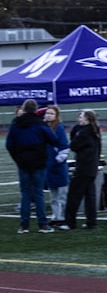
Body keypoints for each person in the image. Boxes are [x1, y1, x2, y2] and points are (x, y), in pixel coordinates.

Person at [6, 99, 65, 233]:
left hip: (23, 163)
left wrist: (18, 158)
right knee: (38, 194)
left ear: (24, 108)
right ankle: (42, 224)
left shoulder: (16, 124)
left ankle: (24, 225)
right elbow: (54, 140)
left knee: (25, 194)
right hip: (39, 162)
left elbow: (9, 145)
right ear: (35, 109)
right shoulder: (40, 124)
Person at [62, 109, 102, 231]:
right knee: (90, 195)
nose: (79, 119)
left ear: (87, 119)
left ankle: (70, 222)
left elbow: (73, 145)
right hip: (92, 167)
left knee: (74, 195)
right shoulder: (95, 131)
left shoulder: (84, 133)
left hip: (83, 167)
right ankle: (91, 222)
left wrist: (76, 132)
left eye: (81, 117)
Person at [43, 105, 71, 228]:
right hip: (48, 167)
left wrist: (57, 160)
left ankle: (63, 217)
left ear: (56, 116)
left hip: (58, 167)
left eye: (51, 113)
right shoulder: (43, 128)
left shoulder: (59, 128)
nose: (48, 115)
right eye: (47, 113)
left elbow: (64, 147)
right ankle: (55, 217)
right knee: (53, 196)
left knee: (62, 195)